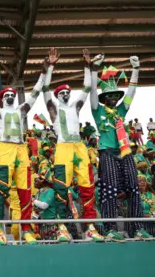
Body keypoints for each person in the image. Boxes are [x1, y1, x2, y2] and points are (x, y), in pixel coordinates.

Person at [0, 54, 45, 245]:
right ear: (2, 98)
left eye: (13, 94)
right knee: (1, 191)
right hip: (4, 149)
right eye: (7, 95)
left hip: (21, 150)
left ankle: (27, 229)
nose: (11, 96)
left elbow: (35, 94)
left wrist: (45, 73)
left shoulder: (21, 110)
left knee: (24, 191)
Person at [42, 47, 103, 242]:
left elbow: (86, 88)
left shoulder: (76, 106)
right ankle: (61, 227)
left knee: (87, 188)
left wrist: (87, 65)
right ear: (58, 96)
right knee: (61, 188)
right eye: (62, 92)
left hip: (80, 147)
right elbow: (44, 89)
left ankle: (90, 227)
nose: (66, 94)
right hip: (63, 149)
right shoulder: (53, 108)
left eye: (68, 91)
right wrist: (50, 66)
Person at [89, 54, 152, 241]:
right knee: (109, 189)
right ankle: (109, 229)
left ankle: (138, 229)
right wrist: (94, 70)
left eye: (116, 96)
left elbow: (131, 93)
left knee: (134, 187)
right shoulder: (97, 110)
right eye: (110, 96)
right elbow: (92, 91)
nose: (114, 99)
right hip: (107, 152)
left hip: (125, 152)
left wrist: (136, 70)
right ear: (104, 99)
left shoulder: (122, 111)